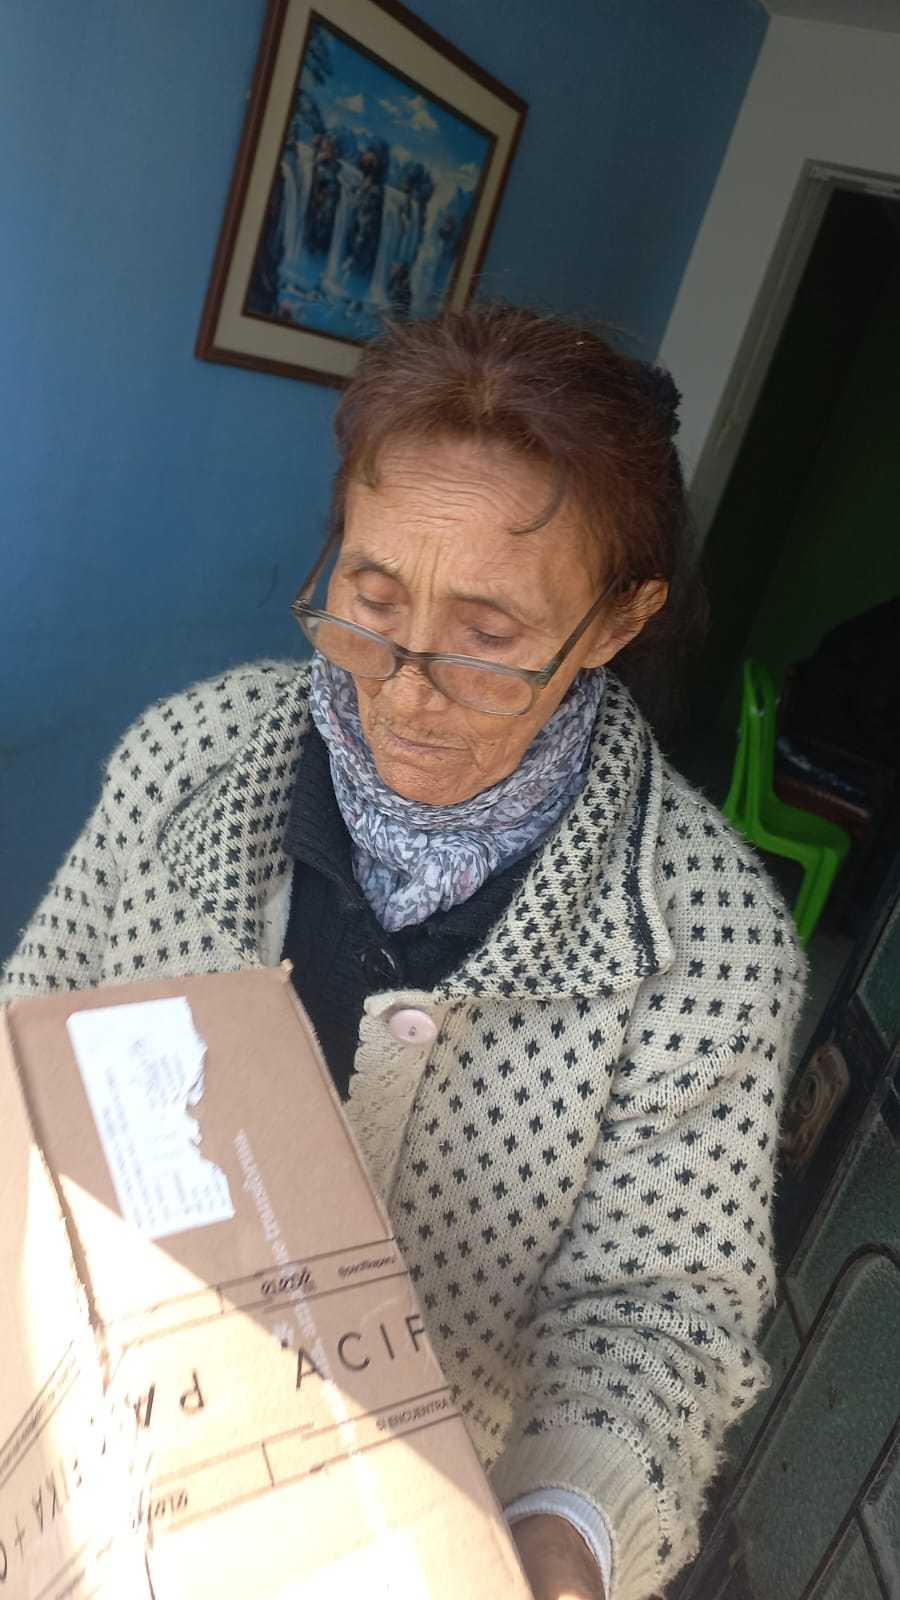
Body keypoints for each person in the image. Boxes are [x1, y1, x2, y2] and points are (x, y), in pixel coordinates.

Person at [1, 305, 806, 1600]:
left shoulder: (707, 948)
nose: (406, 687)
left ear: (617, 622)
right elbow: (30, 1044)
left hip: (408, 1535)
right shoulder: (192, 762)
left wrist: (551, 1545)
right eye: (372, 603)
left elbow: (658, 1316)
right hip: (91, 1442)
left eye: (489, 638)